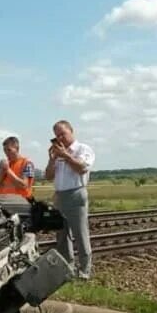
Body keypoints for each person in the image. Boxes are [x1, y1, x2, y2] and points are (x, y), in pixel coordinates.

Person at [44, 119, 95, 279]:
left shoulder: (82, 149)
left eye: (62, 134)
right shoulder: (57, 153)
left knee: (80, 233)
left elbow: (82, 168)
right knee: (62, 234)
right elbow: (48, 176)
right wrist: (52, 159)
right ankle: (68, 268)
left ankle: (85, 270)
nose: (60, 139)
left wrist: (65, 155)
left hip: (76, 193)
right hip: (60, 195)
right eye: (57, 136)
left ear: (71, 131)